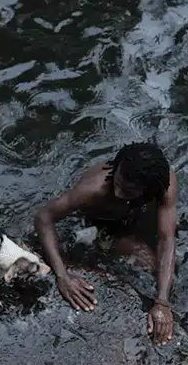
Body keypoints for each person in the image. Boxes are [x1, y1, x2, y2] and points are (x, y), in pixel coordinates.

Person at [34, 142, 177, 346]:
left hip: (134, 215)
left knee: (168, 275)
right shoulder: (94, 190)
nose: (118, 193)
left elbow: (167, 238)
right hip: (99, 225)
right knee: (145, 261)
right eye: (117, 184)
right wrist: (62, 275)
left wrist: (162, 302)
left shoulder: (164, 184)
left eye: (128, 191)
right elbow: (43, 217)